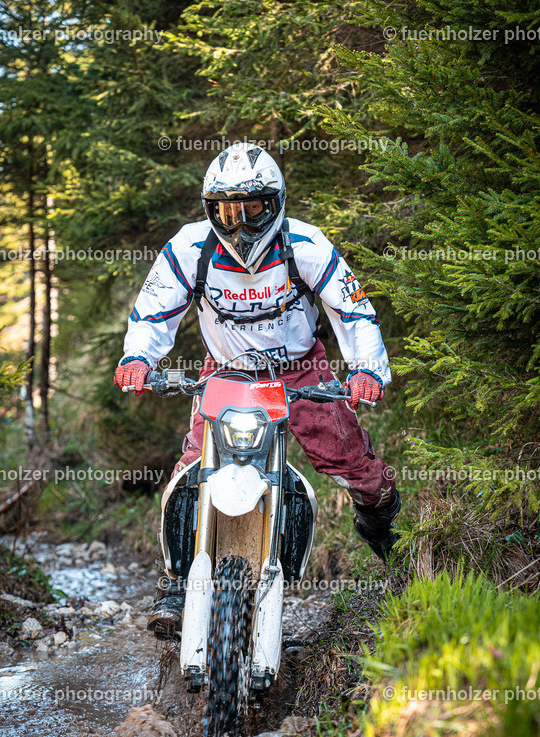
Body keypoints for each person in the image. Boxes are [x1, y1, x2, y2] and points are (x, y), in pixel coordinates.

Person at [114, 142, 400, 637]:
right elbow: (153, 311)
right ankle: (175, 582)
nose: (240, 223)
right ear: (210, 209)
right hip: (225, 373)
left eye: (252, 209)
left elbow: (354, 312)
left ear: (276, 202)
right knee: (189, 471)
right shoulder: (189, 247)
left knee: (356, 466)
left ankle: (387, 535)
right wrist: (139, 357)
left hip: (300, 370)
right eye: (227, 210)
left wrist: (367, 370)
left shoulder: (306, 246)